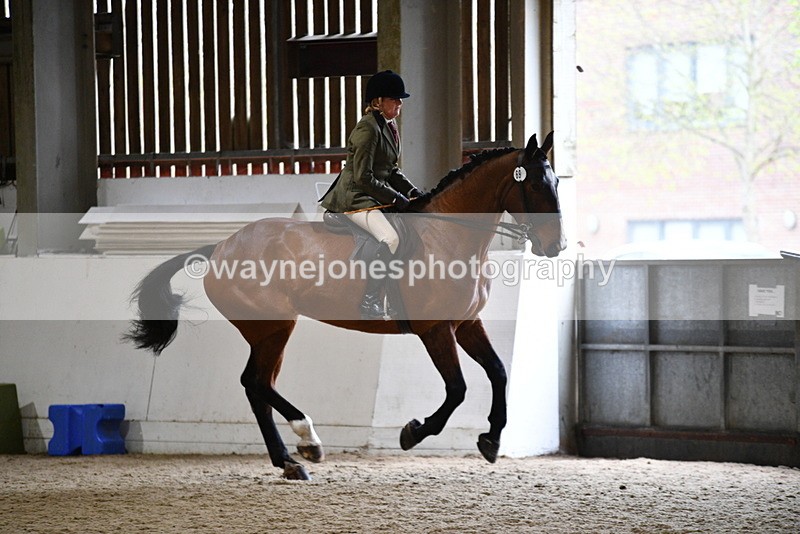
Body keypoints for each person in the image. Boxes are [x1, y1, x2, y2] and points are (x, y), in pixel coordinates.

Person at [319, 70, 423, 319]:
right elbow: (363, 177)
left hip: (373, 194)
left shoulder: (389, 125)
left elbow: (391, 169)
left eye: (400, 99)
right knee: (390, 238)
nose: (399, 103)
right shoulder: (367, 129)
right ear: (377, 101)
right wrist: (396, 198)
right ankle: (370, 301)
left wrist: (412, 190)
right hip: (355, 198)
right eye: (394, 99)